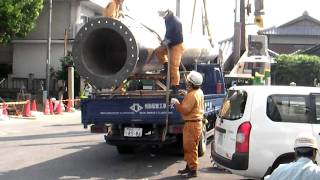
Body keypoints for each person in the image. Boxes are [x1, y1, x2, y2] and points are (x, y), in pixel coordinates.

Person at [170, 71, 204, 178]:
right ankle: (189, 166)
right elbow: (193, 99)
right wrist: (186, 93)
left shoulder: (192, 95)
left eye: (188, 81)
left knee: (190, 148)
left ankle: (193, 170)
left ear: (192, 83)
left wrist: (176, 103)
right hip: (195, 124)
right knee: (188, 147)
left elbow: (185, 110)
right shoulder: (198, 92)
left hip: (192, 125)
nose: (187, 82)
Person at [155, 9, 184, 94]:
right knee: (158, 51)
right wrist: (164, 41)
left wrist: (167, 41)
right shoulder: (167, 20)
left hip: (176, 45)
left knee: (174, 67)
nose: (162, 18)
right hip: (170, 44)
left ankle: (175, 87)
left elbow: (178, 38)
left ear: (167, 13)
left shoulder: (176, 22)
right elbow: (168, 33)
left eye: (163, 16)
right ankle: (166, 66)